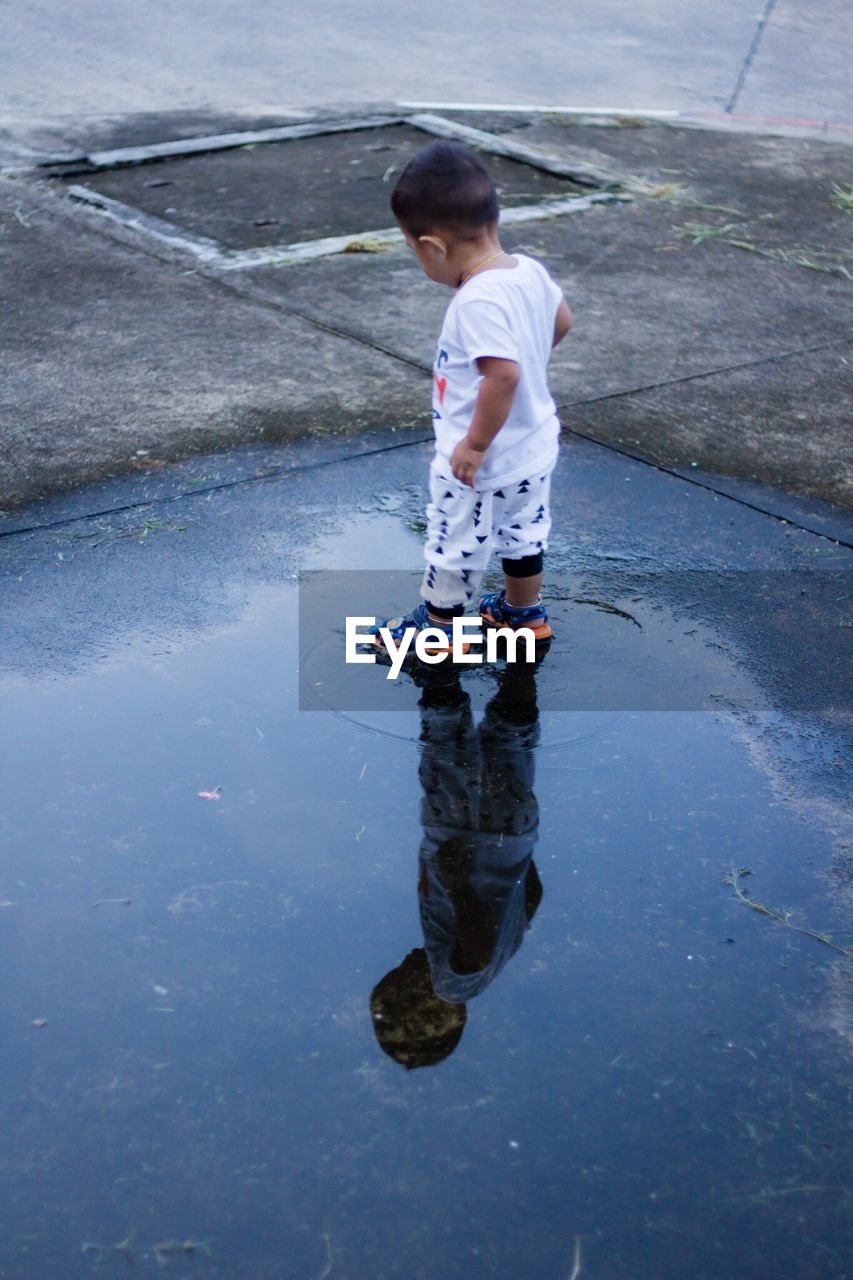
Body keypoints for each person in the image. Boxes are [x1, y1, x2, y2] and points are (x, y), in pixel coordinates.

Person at [371, 140, 572, 655]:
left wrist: (476, 445)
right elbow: (562, 322)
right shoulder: (527, 271)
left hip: (478, 460)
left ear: (434, 247)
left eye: (414, 249)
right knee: (525, 530)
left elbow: (501, 377)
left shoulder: (475, 300)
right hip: (534, 446)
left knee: (454, 538)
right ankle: (523, 615)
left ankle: (437, 630)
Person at [370, 658, 544, 1070]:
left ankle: (523, 658)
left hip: (514, 832)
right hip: (458, 834)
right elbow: (475, 950)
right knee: (444, 744)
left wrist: (514, 855)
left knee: (512, 739)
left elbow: (533, 896)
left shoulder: (504, 956)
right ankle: (437, 660)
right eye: (397, 983)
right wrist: (457, 878)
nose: (399, 967)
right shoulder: (450, 984)